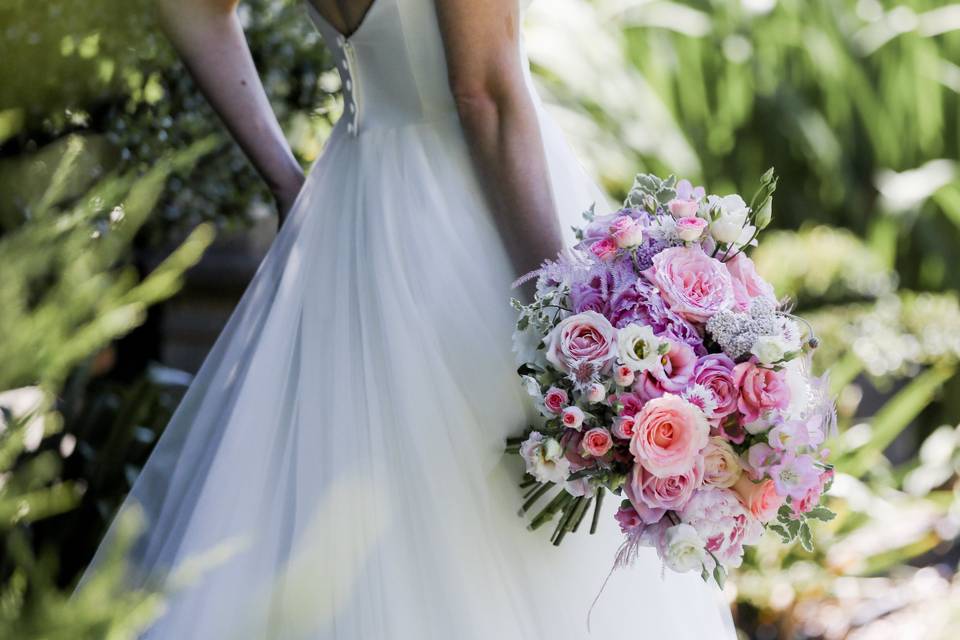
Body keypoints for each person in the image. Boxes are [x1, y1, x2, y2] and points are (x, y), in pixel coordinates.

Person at [85, 1, 737, 637]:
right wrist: (568, 311)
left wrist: (285, 180)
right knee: (501, 525)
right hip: (477, 223)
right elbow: (483, 95)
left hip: (349, 211)